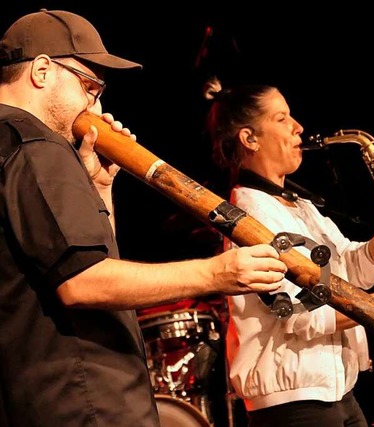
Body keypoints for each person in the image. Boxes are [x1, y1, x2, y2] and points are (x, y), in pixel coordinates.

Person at [0, 9, 288, 427]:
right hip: (85, 401)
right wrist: (218, 273)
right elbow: (81, 283)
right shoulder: (39, 144)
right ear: (42, 71)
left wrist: (98, 188)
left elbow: (64, 267)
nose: (96, 104)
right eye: (89, 85)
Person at [204, 84, 374, 427]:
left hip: (336, 391)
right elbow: (302, 313)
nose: (298, 127)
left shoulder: (298, 204)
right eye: (282, 118)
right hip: (296, 405)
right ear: (250, 138)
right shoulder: (251, 216)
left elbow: (350, 270)